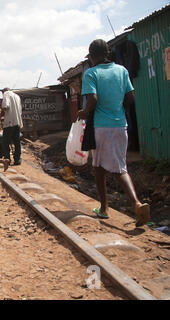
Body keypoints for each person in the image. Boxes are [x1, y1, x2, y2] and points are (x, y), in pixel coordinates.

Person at [78, 39, 150, 227]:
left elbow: (92, 100)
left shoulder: (91, 73)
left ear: (92, 56)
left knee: (108, 168)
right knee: (110, 167)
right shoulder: (122, 70)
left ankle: (121, 206)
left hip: (102, 127)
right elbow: (130, 98)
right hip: (120, 126)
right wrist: (116, 109)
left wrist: (83, 112)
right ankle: (120, 206)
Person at [1, 87, 23, 165]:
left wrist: (2, 116)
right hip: (17, 122)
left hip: (9, 122)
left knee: (5, 142)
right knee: (17, 141)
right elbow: (20, 111)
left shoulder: (6, 94)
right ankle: (17, 160)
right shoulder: (17, 96)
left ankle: (7, 159)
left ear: (4, 91)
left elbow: (5, 106)